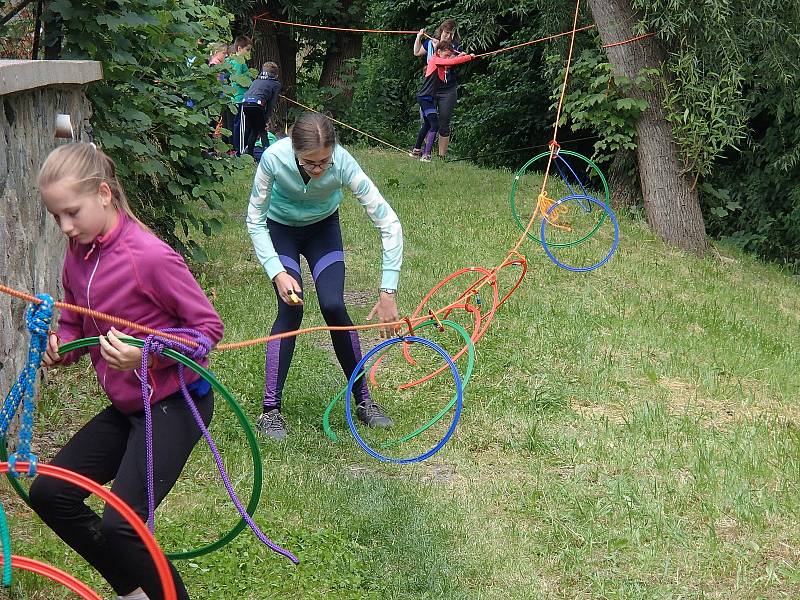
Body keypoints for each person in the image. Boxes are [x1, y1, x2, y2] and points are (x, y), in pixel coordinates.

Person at [29, 142, 224, 600]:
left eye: (71, 213)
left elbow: (207, 330)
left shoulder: (149, 257)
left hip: (176, 403)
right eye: (55, 216)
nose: (64, 226)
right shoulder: (77, 254)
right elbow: (77, 317)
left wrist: (148, 356)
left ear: (103, 193)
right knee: (50, 494)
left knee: (123, 524)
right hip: (128, 406)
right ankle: (135, 592)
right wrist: (63, 345)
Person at [246, 112, 403, 440]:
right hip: (281, 230)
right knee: (291, 308)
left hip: (322, 230)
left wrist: (388, 290)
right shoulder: (273, 159)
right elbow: (255, 219)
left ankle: (364, 402)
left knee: (333, 304)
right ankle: (270, 411)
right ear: (293, 149)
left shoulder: (343, 163)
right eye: (309, 163)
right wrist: (276, 271)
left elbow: (389, 222)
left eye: (324, 163)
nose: (318, 171)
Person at [410, 41, 474, 162]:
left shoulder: (440, 62)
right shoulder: (435, 59)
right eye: (446, 55)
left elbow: (449, 63)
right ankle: (426, 154)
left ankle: (416, 150)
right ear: (438, 52)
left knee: (427, 125)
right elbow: (451, 62)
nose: (448, 58)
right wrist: (468, 57)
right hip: (426, 98)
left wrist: (460, 56)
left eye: (450, 55)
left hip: (426, 97)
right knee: (435, 125)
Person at [413, 19, 464, 159]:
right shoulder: (431, 43)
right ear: (441, 31)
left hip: (448, 90)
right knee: (427, 122)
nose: (448, 36)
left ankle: (441, 157)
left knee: (444, 124)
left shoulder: (454, 48)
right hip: (430, 91)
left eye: (451, 33)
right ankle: (425, 151)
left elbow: (451, 61)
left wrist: (463, 56)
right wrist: (419, 36)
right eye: (446, 32)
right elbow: (417, 52)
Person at [239, 61, 282, 162]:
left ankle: (249, 156)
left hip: (245, 103)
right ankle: (268, 156)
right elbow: (271, 104)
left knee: (254, 130)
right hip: (257, 104)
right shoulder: (276, 84)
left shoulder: (256, 80)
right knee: (262, 131)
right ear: (276, 74)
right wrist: (266, 117)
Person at [222, 36, 252, 153]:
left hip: (230, 98)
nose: (249, 53)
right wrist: (250, 81)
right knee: (238, 127)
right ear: (239, 48)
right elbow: (237, 80)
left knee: (229, 125)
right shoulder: (239, 62)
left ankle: (230, 149)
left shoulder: (229, 60)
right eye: (247, 50)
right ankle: (238, 151)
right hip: (239, 98)